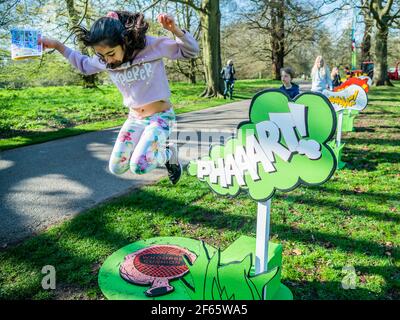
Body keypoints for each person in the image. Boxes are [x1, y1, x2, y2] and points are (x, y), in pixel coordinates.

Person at [39, 11, 199, 185]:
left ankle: (169, 155)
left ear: (124, 41)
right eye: (102, 56)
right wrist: (56, 45)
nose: (108, 60)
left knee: (140, 166)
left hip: (161, 117)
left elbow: (190, 51)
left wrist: (175, 30)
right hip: (135, 119)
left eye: (111, 53)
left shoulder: (150, 46)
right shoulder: (105, 60)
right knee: (117, 167)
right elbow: (84, 65)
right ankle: (159, 153)